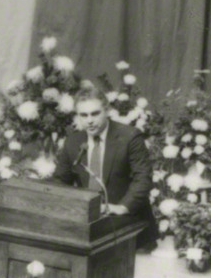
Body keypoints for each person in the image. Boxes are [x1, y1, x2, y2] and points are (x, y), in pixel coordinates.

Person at [53, 89, 158, 251]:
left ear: (107, 111)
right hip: (86, 227)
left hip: (127, 225)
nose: (89, 121)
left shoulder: (130, 137)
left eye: (95, 114)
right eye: (83, 115)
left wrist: (122, 207)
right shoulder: (73, 141)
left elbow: (143, 178)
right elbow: (60, 180)